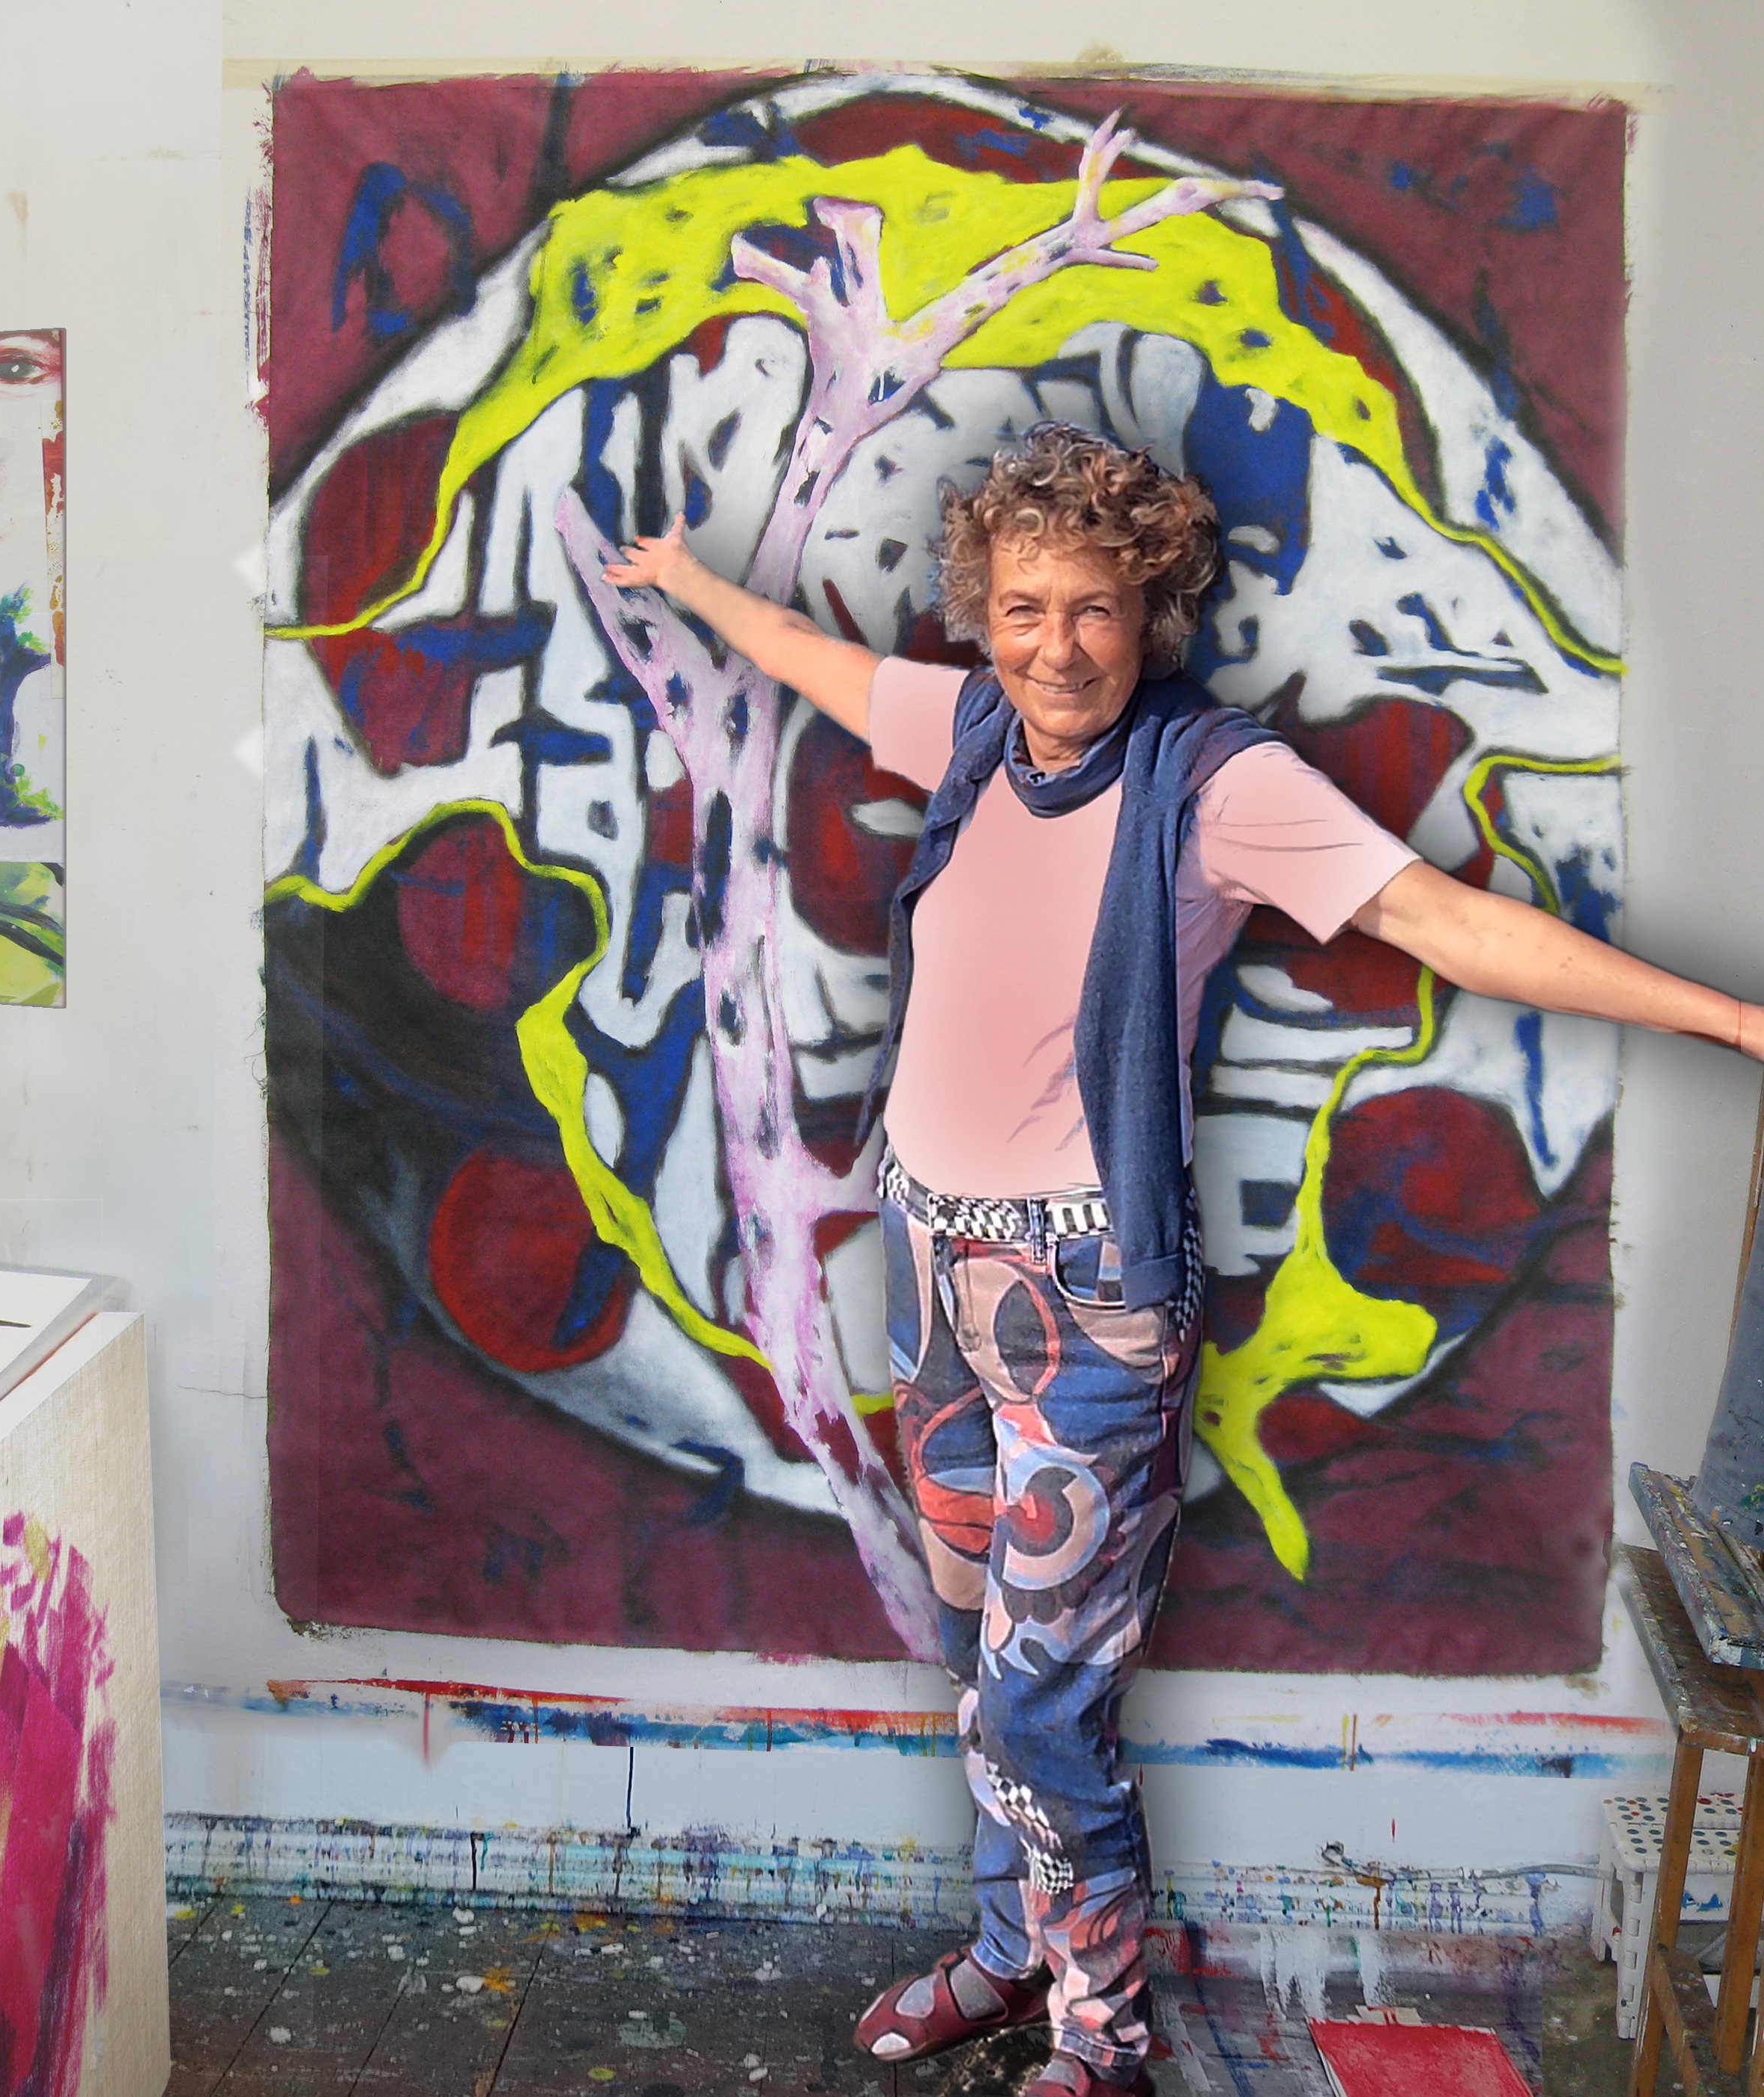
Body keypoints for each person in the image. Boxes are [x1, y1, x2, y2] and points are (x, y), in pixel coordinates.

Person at [602, 423, 1762, 2097]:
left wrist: (1734, 1020)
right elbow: (811, 661)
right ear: (983, 612)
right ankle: (1013, 1952)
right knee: (977, 1653)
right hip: (932, 1265)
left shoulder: (1216, 785)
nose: (1055, 646)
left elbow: (1445, 924)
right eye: (1021, 607)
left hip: (1084, 1304)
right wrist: (691, 583)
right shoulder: (973, 728)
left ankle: (1103, 2038)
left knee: (1042, 1700)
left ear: (1150, 611)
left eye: (1093, 607)